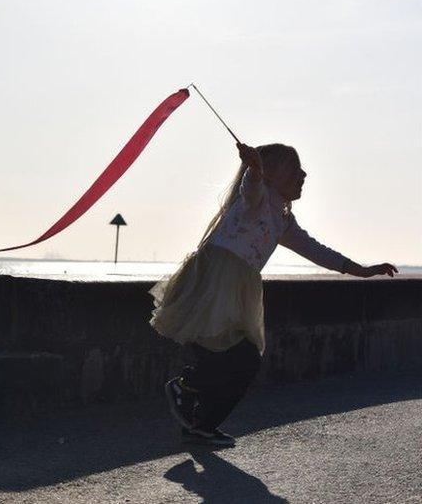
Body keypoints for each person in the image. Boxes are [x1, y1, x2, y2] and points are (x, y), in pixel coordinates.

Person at [150, 142, 397, 446]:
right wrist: (254, 168)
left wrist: (362, 270)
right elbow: (251, 187)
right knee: (230, 354)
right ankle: (187, 392)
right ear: (273, 174)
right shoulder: (256, 199)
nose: (303, 174)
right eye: (295, 169)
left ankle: (200, 419)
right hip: (218, 283)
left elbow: (315, 250)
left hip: (240, 289)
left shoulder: (282, 219)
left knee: (245, 358)